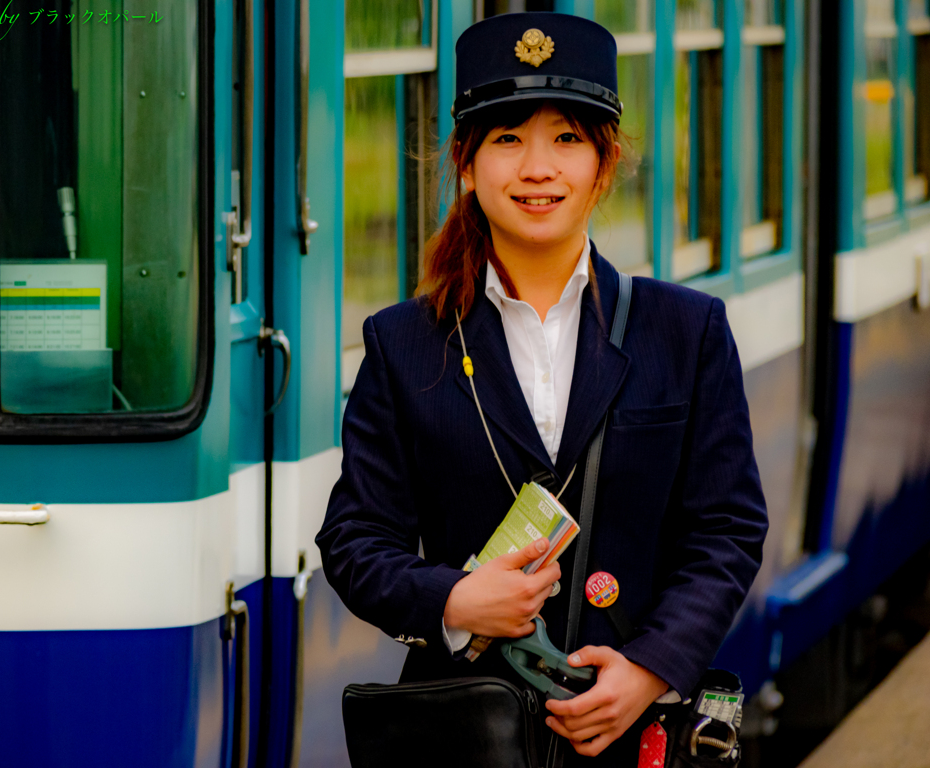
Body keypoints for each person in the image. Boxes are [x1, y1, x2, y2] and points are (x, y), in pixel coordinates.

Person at [317, 12, 767, 766]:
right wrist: (452, 602)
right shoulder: (404, 343)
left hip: (631, 737)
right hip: (465, 735)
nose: (536, 168)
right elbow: (356, 540)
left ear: (603, 160)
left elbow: (726, 530)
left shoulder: (686, 332)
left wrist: (650, 668)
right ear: (465, 164)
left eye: (566, 138)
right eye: (506, 139)